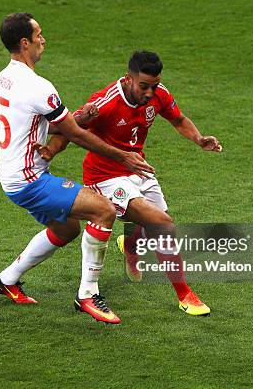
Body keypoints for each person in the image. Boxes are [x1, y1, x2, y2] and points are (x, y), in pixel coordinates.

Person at [0, 14, 155, 324]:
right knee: (103, 210)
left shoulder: (5, 77)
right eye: (38, 34)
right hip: (29, 180)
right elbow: (76, 134)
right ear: (24, 42)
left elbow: (56, 125)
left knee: (66, 229)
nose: (43, 39)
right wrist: (123, 157)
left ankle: (6, 280)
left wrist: (76, 119)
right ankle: (88, 295)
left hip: (12, 173)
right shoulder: (38, 87)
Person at [37, 51, 222, 316]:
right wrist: (52, 150)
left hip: (138, 169)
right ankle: (185, 295)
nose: (149, 93)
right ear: (128, 79)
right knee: (163, 225)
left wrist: (199, 138)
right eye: (144, 86)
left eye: (154, 86)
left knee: (159, 223)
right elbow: (66, 129)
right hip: (106, 177)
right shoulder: (105, 102)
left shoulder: (159, 94)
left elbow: (178, 119)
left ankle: (131, 246)